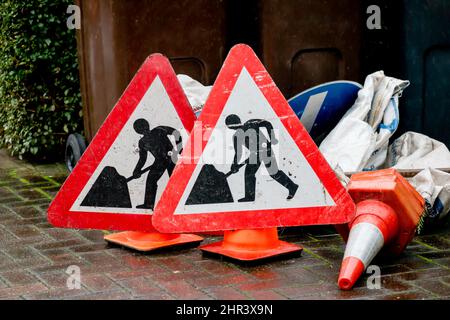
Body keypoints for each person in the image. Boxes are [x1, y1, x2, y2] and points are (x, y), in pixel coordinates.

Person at [226, 114, 299, 202]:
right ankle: (249, 197)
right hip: (255, 155)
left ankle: (292, 187)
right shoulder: (238, 135)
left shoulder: (250, 124)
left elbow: (267, 123)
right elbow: (238, 153)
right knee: (249, 173)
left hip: (266, 150)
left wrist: (272, 137)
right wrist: (234, 166)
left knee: (273, 173)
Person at [132, 119, 182, 210]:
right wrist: (137, 170)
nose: (143, 130)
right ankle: (148, 204)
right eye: (140, 128)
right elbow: (143, 159)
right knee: (151, 180)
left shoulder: (159, 130)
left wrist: (179, 149)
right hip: (160, 161)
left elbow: (176, 133)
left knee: (176, 181)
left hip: (172, 158)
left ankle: (179, 203)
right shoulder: (142, 142)